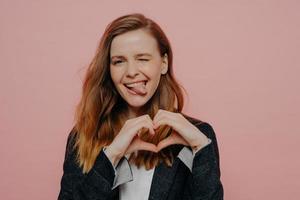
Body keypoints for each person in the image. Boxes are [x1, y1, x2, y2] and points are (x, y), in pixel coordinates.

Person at [58, 13, 224, 200]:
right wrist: (111, 155)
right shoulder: (82, 137)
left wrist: (200, 147)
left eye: (142, 59)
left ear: (163, 63)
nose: (131, 72)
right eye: (119, 61)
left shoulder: (199, 135)